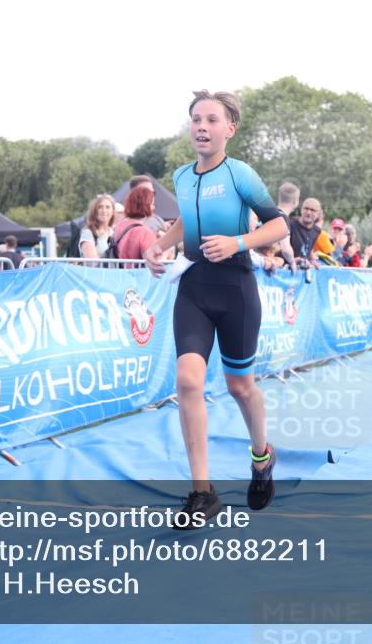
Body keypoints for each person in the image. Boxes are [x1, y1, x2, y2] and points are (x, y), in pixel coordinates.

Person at [143, 90, 288, 527]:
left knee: (241, 387)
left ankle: (262, 458)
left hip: (236, 288)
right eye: (195, 120)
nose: (201, 127)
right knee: (187, 381)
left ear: (231, 128)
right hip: (194, 287)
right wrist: (158, 245)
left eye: (211, 120)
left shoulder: (240, 173)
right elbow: (187, 218)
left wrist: (238, 242)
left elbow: (278, 224)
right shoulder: (183, 176)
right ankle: (203, 492)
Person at [112, 186, 158, 263]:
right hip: (137, 273)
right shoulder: (145, 232)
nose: (154, 207)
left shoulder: (120, 224)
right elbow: (153, 261)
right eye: (152, 204)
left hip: (119, 272)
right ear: (146, 205)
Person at [80, 194, 116, 259]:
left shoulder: (114, 232)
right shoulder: (88, 233)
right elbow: (92, 263)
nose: (104, 211)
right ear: (94, 211)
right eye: (100, 207)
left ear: (113, 211)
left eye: (107, 207)